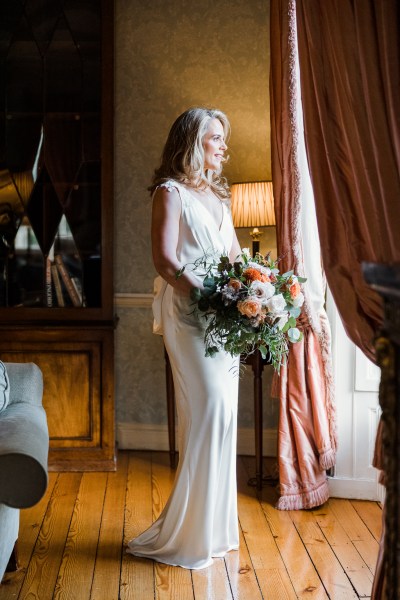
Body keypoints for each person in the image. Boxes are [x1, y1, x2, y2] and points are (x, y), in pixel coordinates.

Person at [126, 107, 242, 570]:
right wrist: (209, 295)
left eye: (222, 139)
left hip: (225, 323)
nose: (223, 146)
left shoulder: (219, 196)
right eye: (216, 138)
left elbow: (233, 255)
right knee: (209, 409)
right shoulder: (169, 193)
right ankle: (184, 536)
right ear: (193, 141)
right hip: (189, 317)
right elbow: (166, 261)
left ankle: (213, 530)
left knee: (226, 415)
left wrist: (255, 292)